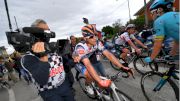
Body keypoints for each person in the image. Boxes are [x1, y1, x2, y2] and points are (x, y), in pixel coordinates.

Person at [21, 19, 75, 101]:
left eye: (48, 30)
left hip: (64, 85)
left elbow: (67, 64)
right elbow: (42, 79)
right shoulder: (28, 57)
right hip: (49, 93)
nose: (47, 34)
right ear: (34, 33)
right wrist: (43, 56)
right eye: (43, 31)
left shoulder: (53, 48)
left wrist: (75, 60)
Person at [73, 24, 133, 94]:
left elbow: (108, 55)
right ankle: (87, 85)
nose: (95, 38)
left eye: (96, 35)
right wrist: (100, 81)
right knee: (90, 75)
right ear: (85, 38)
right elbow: (87, 64)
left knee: (98, 75)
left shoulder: (97, 42)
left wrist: (122, 67)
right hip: (79, 62)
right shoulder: (81, 47)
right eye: (92, 36)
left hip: (88, 59)